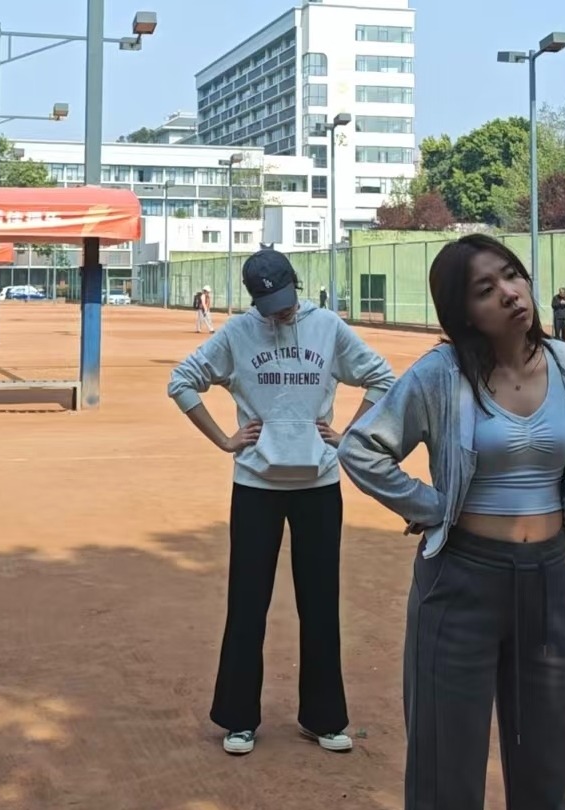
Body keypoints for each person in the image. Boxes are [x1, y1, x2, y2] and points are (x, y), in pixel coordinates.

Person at [337, 234, 565, 810]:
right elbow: (362, 448)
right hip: (460, 581)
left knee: (548, 767)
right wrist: (432, 507)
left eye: (512, 275)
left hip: (549, 580)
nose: (510, 293)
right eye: (486, 289)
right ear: (463, 313)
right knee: (445, 768)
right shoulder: (441, 375)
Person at [167, 248, 396, 757]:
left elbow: (383, 377)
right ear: (254, 299)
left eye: (287, 302)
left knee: (321, 604)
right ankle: (238, 719)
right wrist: (225, 440)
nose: (281, 313)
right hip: (256, 486)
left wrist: (348, 435)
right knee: (247, 604)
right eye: (270, 306)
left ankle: (324, 718)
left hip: (319, 485)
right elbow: (181, 382)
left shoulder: (327, 327)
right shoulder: (237, 333)